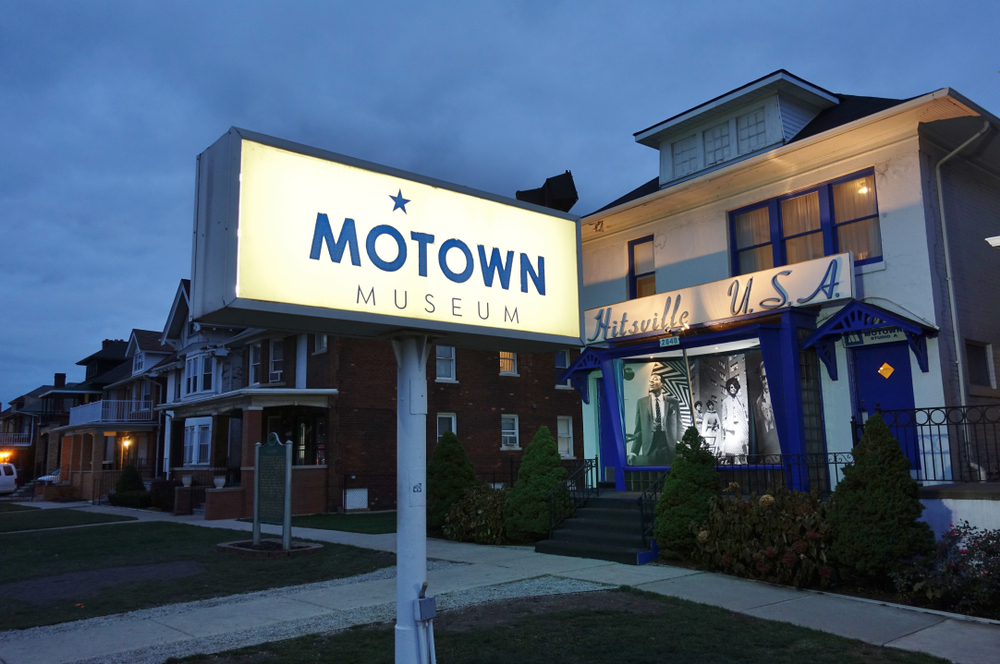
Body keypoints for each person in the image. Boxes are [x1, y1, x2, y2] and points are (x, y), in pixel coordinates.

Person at [627, 372, 681, 466]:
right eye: (650, 380)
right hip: (650, 448)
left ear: (662, 384)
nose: (651, 381)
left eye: (655, 379)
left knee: (670, 477)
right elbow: (638, 430)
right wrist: (633, 452)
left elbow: (679, 427)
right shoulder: (641, 403)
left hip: (669, 447)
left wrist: (683, 447)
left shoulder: (673, 402)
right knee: (652, 477)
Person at [753, 362, 780, 456]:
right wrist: (766, 420)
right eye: (763, 378)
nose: (766, 381)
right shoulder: (758, 402)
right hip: (769, 448)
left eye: (768, 377)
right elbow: (761, 429)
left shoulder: (781, 396)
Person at [720, 376, 749, 459]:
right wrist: (726, 427)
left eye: (734, 387)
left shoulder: (740, 400)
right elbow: (723, 417)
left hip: (740, 429)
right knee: (730, 454)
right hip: (731, 430)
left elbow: (744, 414)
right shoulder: (725, 401)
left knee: (742, 453)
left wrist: (745, 428)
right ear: (728, 388)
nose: (733, 389)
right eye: (731, 387)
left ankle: (743, 468)